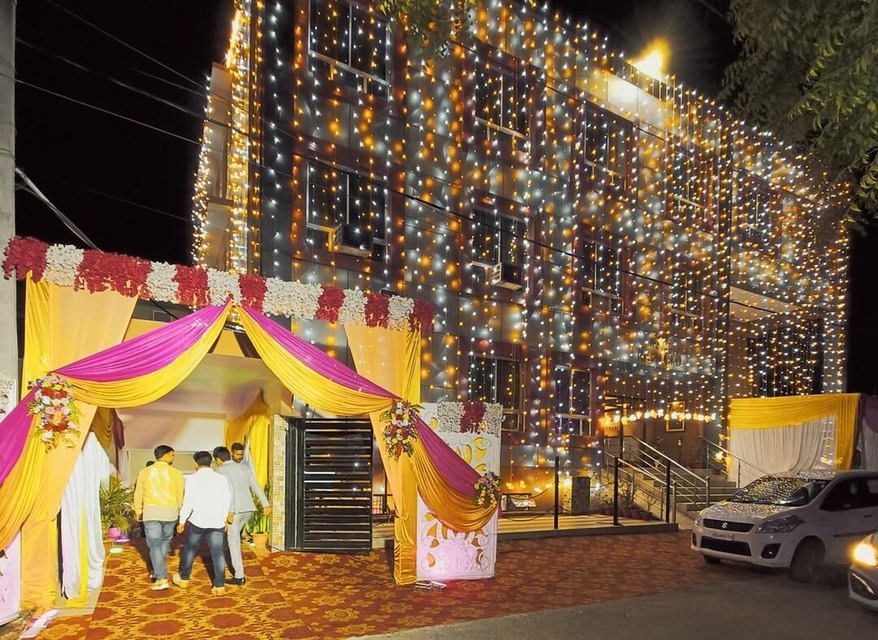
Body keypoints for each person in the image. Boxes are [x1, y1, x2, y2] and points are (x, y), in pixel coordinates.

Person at [172, 451, 233, 595]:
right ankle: (219, 585)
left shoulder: (192, 479)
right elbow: (226, 500)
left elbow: (188, 502)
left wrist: (182, 521)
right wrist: (224, 518)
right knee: (218, 552)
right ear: (210, 462)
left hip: (198, 521)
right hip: (217, 521)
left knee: (190, 549)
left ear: (196, 464)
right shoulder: (221, 479)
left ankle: (184, 578)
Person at [213, 446, 271, 586]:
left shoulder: (219, 470)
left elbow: (224, 493)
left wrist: (227, 512)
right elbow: (255, 486)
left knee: (233, 543)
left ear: (218, 459)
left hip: (234, 511)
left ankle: (239, 576)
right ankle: (231, 563)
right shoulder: (245, 468)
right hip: (248, 509)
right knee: (234, 539)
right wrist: (266, 504)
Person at [133, 445, 185, 591]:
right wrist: (180, 511)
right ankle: (158, 573)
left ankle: (161, 577)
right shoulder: (176, 473)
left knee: (154, 545)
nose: (173, 458)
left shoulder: (144, 472)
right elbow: (180, 494)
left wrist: (138, 510)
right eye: (172, 455)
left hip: (151, 513)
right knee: (164, 542)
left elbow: (138, 493)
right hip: (170, 513)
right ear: (166, 455)